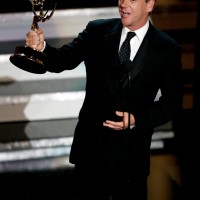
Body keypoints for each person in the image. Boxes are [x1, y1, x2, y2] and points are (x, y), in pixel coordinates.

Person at [25, 0, 183, 199]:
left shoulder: (166, 48)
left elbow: (172, 104)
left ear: (149, 4)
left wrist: (136, 119)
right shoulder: (97, 30)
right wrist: (43, 48)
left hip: (131, 158)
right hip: (90, 153)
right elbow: (62, 60)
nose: (123, 3)